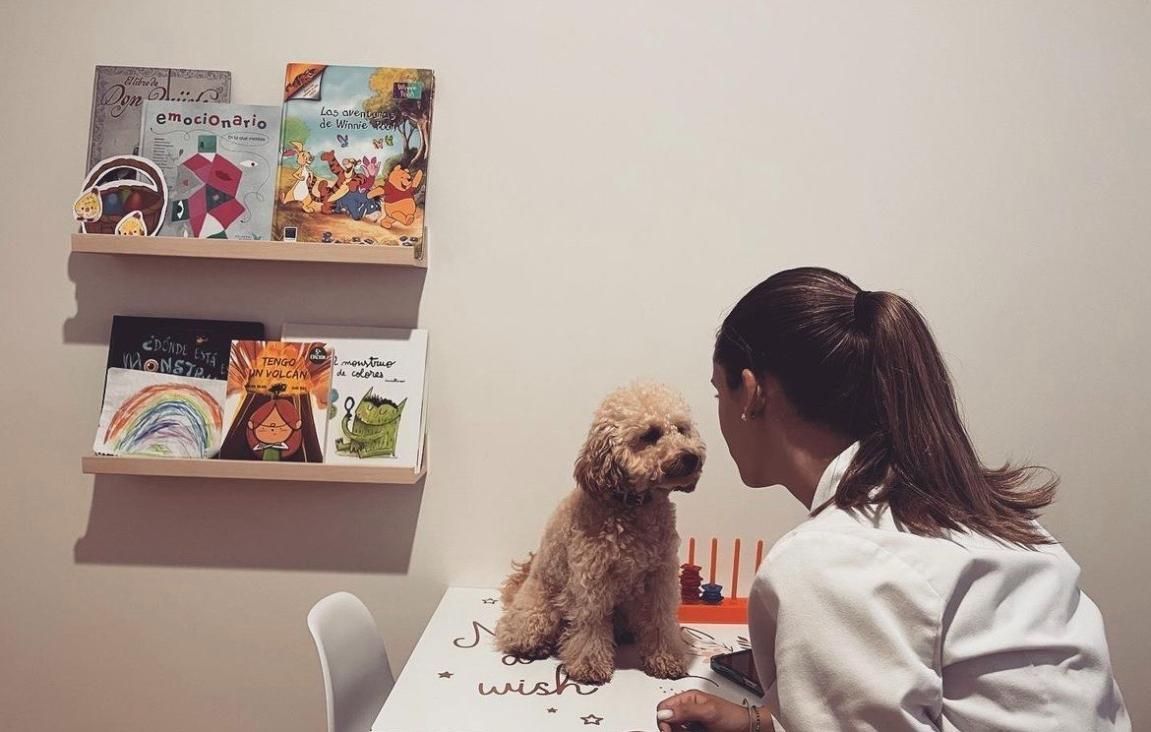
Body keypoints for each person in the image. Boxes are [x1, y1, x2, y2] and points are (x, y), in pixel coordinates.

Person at [656, 268, 1130, 731]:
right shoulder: (988, 518)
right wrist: (763, 720)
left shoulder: (832, 563)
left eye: (719, 391)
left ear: (752, 394)